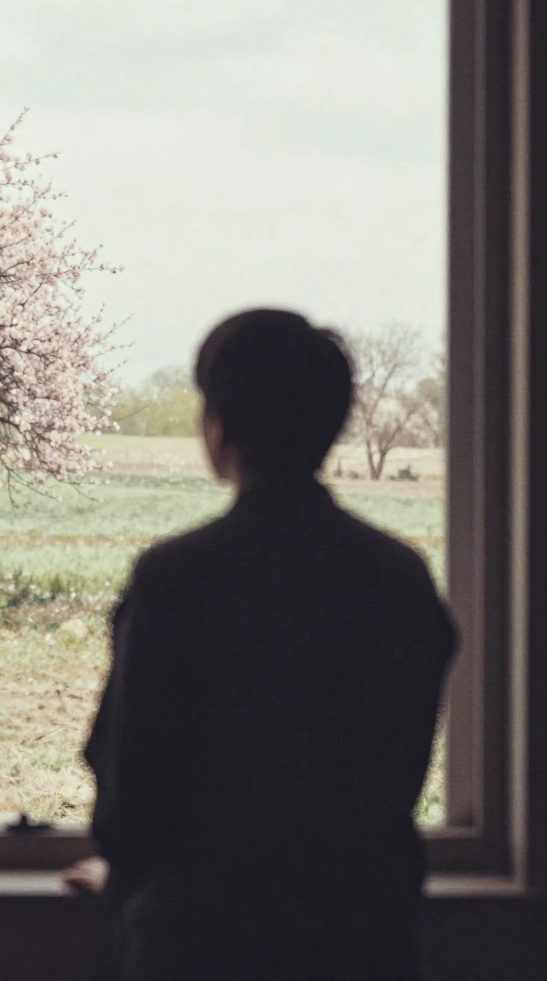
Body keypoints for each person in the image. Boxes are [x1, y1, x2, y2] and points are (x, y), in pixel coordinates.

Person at [62, 309, 457, 981]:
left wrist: (131, 873)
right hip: (362, 942)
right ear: (329, 426)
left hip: (196, 943)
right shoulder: (399, 579)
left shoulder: (177, 579)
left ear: (218, 426)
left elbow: (132, 797)